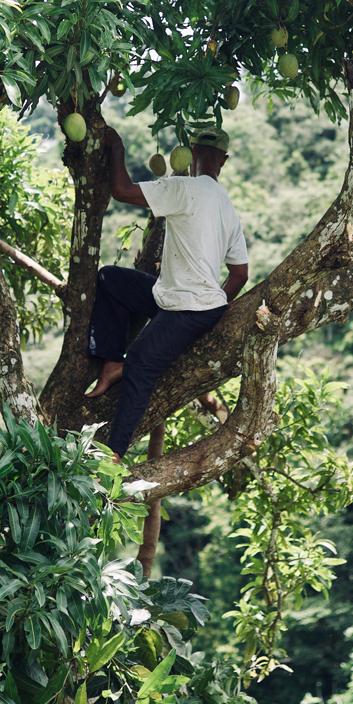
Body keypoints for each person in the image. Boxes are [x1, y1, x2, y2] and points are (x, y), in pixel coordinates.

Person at [86, 126, 249, 459]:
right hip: (183, 300)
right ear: (224, 160)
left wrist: (116, 145)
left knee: (143, 365)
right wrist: (212, 301)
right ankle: (112, 362)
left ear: (190, 154)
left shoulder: (184, 188)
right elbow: (240, 274)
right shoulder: (226, 204)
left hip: (188, 310)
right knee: (111, 279)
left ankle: (115, 452)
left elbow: (120, 190)